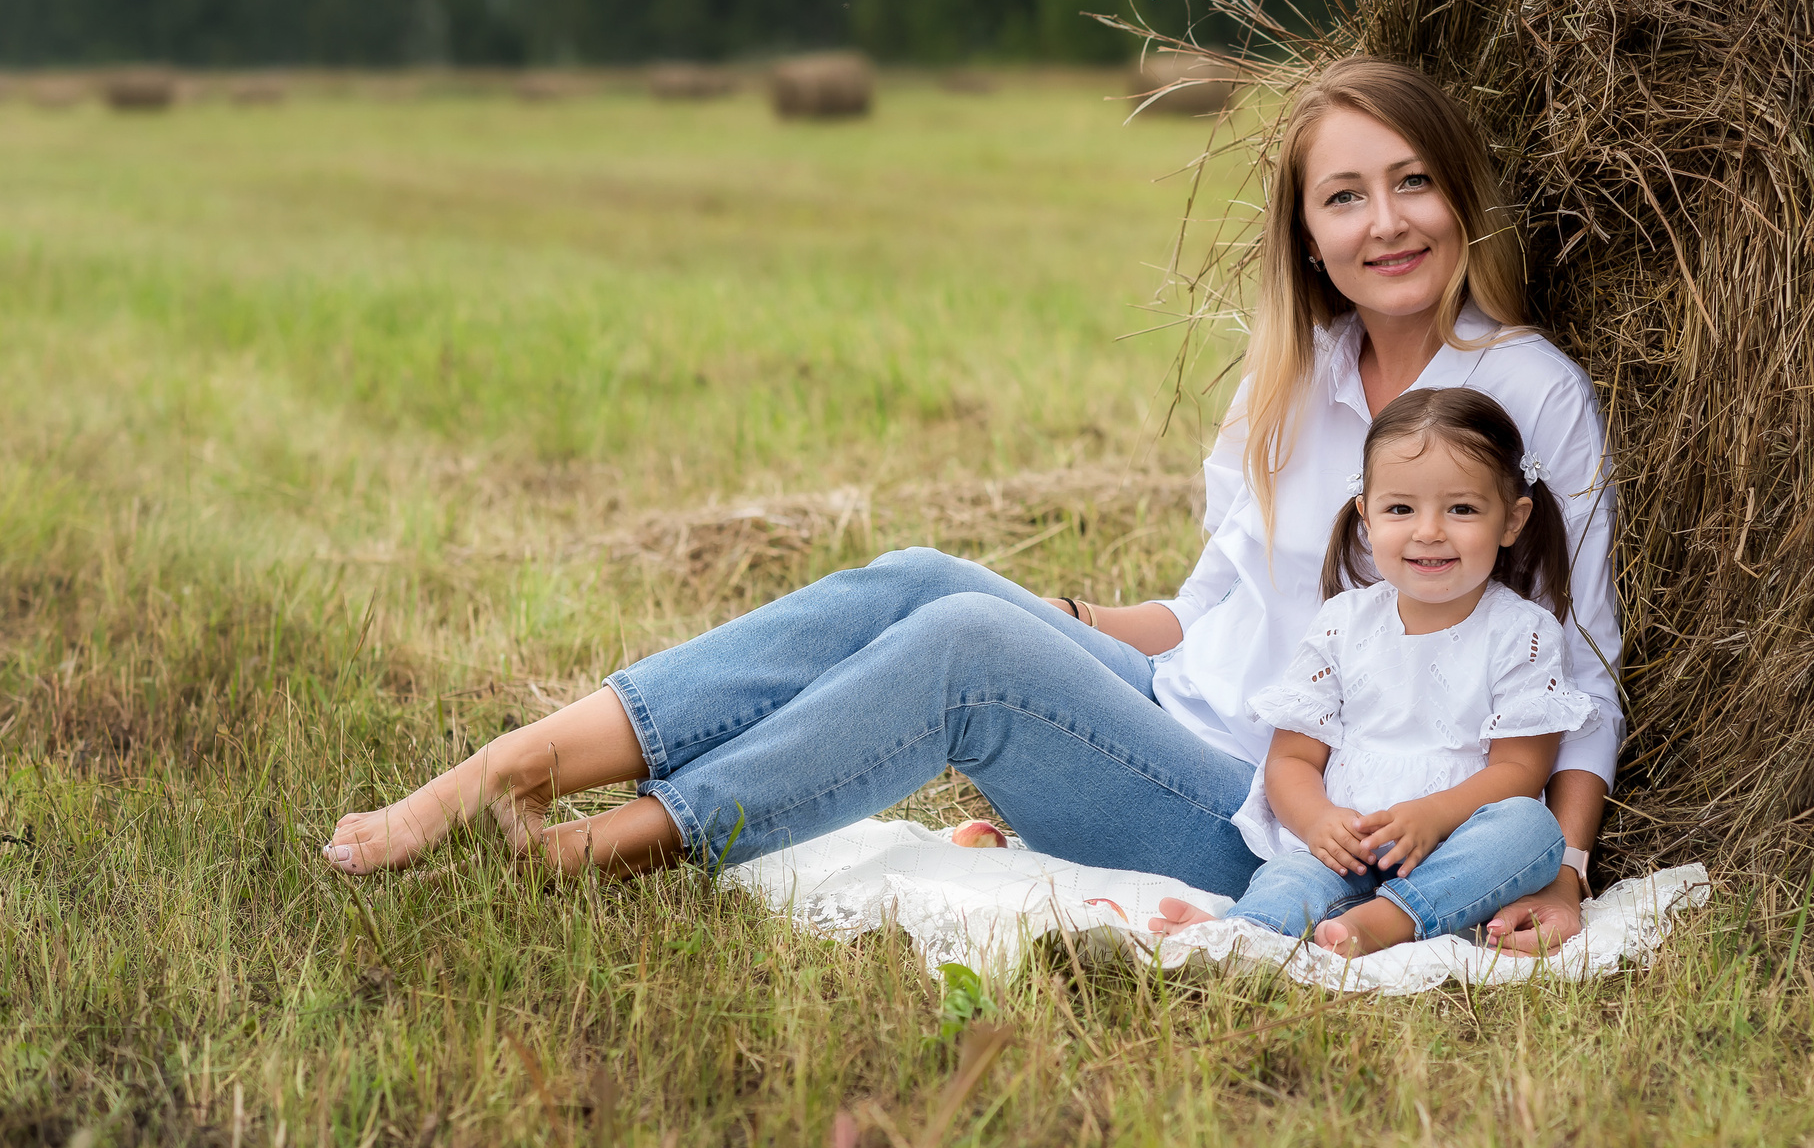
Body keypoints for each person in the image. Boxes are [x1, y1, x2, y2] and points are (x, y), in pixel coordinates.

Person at [323, 56, 1622, 952]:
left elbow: (1586, 664)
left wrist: (1560, 870)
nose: (1384, 222)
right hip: (1178, 722)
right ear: (1305, 234)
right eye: (1345, 195)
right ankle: (511, 766)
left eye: (1412, 182)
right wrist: (1067, 628)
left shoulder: (1524, 394)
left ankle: (614, 849)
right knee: (921, 582)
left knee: (962, 655)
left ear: (1461, 194)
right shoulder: (1295, 383)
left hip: (1284, 824)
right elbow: (1214, 610)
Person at [1149, 387, 1589, 956]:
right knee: (1291, 879)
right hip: (1350, 846)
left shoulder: (1521, 632)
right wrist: (1319, 823)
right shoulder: (1342, 624)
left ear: (1512, 519)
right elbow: (1292, 758)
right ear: (1367, 516)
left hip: (1457, 850)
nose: (1428, 531)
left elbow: (1522, 769)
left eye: (1462, 508)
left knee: (1532, 831)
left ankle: (1392, 921)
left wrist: (1434, 816)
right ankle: (1238, 937)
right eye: (1400, 509)